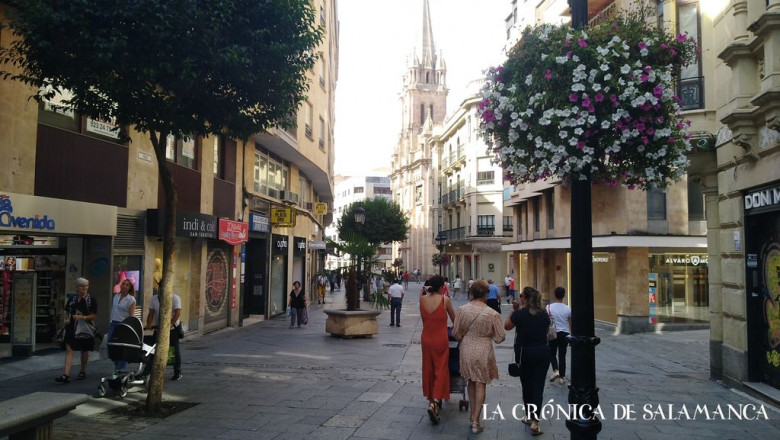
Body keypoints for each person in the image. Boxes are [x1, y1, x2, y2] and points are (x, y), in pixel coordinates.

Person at [452, 279, 506, 434]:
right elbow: (500, 337)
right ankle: (476, 420)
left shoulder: (462, 309)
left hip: (467, 348)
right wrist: (488, 335)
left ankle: (472, 415)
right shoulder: (492, 313)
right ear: (486, 294)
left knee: (470, 380)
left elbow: (456, 333)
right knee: (481, 383)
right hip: (483, 349)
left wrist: (464, 336)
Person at [505, 286, 551, 435]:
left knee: (527, 386)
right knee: (538, 386)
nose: (520, 298)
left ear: (526, 298)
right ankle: (535, 422)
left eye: (522, 296)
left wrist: (513, 310)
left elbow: (507, 326)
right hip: (542, 352)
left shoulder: (520, 313)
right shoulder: (544, 314)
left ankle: (530, 416)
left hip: (525, 353)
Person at [419, 275, 456, 425]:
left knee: (428, 368)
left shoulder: (422, 300)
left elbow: (424, 319)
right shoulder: (444, 300)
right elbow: (455, 320)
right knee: (441, 368)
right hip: (440, 339)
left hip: (426, 338)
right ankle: (435, 401)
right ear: (441, 287)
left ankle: (430, 399)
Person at [56, 277, 97, 383]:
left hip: (85, 328)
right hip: (71, 327)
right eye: (82, 286)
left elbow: (93, 316)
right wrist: (66, 319)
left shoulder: (91, 300)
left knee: (84, 349)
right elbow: (66, 311)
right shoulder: (72, 299)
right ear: (77, 287)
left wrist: (82, 317)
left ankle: (82, 371)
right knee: (69, 350)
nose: (84, 288)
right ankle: (66, 375)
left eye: (86, 286)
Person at [145, 290, 183, 380]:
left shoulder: (175, 298)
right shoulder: (155, 298)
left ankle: (177, 372)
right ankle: (146, 372)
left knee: (174, 350)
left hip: (172, 329)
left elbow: (177, 312)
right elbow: (151, 313)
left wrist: (170, 323)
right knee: (153, 349)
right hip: (158, 327)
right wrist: (149, 324)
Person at [109, 278, 136, 371]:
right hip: (113, 323)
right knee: (111, 344)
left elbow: (131, 315)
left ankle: (120, 367)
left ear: (129, 288)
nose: (124, 286)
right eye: (123, 284)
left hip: (123, 324)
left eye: (127, 285)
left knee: (120, 346)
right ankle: (117, 363)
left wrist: (129, 327)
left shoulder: (131, 299)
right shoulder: (116, 296)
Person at [548, 286, 572, 385]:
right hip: (564, 333)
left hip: (553, 333)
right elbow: (570, 323)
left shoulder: (549, 307)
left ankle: (555, 370)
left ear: (555, 295)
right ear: (564, 295)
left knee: (552, 353)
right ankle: (562, 377)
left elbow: (546, 321)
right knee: (562, 355)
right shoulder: (568, 308)